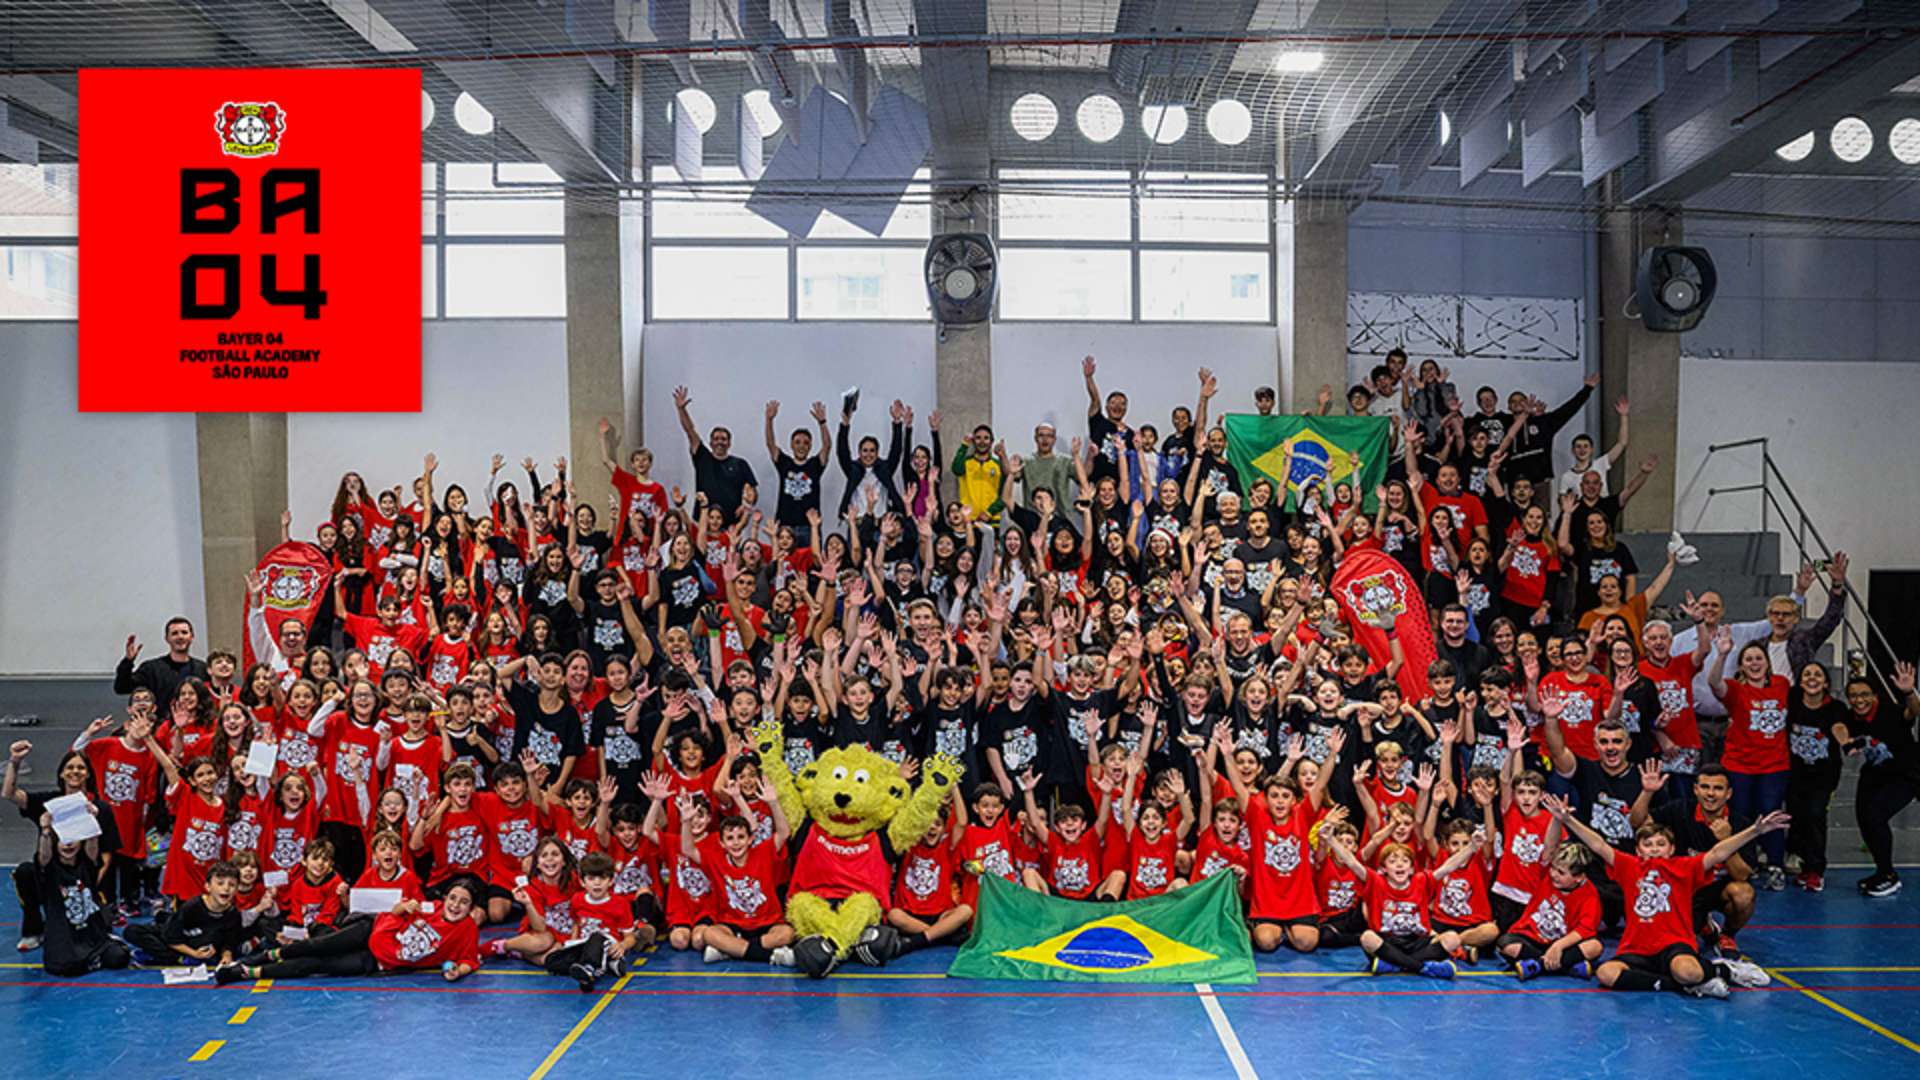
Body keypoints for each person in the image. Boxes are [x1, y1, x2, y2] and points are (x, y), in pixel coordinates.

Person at [1545, 793, 1781, 997]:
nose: (1655, 848)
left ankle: (1724, 970)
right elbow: (1598, 845)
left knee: (1688, 971)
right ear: (1638, 850)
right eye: (1648, 844)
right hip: (1636, 948)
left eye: (1660, 844)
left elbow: (1718, 852)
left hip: (1674, 944)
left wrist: (1755, 831)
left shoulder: (1685, 867)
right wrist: (1567, 819)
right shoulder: (1628, 865)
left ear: (1671, 849)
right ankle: (1681, 987)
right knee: (1606, 973)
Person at [217, 875, 484, 984]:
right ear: (445, 898)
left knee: (315, 965)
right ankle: (262, 956)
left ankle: (246, 972)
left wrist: (456, 972)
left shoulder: (467, 930)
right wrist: (401, 909)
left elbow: (470, 960)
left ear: (471, 908)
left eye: (463, 903)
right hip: (370, 930)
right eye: (453, 899)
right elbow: (396, 911)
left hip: (376, 961)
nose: (456, 906)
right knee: (317, 945)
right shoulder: (432, 907)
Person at [1707, 628, 1793, 888]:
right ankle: (1746, 863)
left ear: (1767, 662)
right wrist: (1722, 655)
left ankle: (1776, 864)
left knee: (1771, 814)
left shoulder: (1781, 684)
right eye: (1748, 659)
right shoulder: (1735, 689)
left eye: (1759, 658)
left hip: (1774, 764)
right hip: (1739, 764)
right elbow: (1714, 683)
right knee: (1741, 815)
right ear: (1741, 666)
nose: (1754, 663)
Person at [1851, 661, 1920, 898]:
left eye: (1864, 695)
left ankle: (1890, 877)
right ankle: (1882, 871)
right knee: (1863, 816)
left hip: (1906, 773)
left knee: (1876, 815)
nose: (1859, 700)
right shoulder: (1853, 718)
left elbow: (1913, 711)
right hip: (1875, 773)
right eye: (1853, 696)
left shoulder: (1890, 711)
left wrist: (1909, 692)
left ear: (1874, 696)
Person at [1784, 661, 1850, 892]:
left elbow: (1839, 727)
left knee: (1815, 815)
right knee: (1797, 816)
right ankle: (1801, 862)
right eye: (1807, 674)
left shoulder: (1836, 707)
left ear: (1825, 682)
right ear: (1801, 681)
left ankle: (1816, 869)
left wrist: (1845, 741)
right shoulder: (1792, 700)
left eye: (1818, 675)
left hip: (1823, 775)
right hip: (1795, 773)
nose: (1812, 678)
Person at [1495, 842, 1602, 981]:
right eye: (1553, 868)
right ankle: (1567, 966)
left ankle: (1538, 965)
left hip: (1564, 943)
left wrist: (1558, 946)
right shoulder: (1545, 875)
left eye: (1561, 873)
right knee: (1506, 944)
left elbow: (1585, 929)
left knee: (1595, 946)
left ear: (1579, 877)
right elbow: (1551, 844)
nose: (1553, 874)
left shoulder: (1590, 894)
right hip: (1533, 938)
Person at [125, 860, 245, 968]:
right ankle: (177, 958)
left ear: (237, 889)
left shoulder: (233, 914)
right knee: (132, 931)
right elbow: (171, 937)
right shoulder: (192, 907)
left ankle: (157, 956)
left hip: (202, 944)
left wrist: (227, 956)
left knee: (213, 955)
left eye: (232, 885)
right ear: (208, 886)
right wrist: (194, 954)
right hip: (178, 940)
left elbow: (229, 943)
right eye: (220, 883)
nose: (226, 888)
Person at [673, 385, 758, 522]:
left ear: (729, 443)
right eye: (716, 439)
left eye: (724, 439)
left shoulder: (741, 464)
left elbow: (753, 492)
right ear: (711, 442)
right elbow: (689, 430)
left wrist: (746, 504)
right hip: (703, 522)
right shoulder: (702, 457)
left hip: (731, 524)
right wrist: (681, 409)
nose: (720, 442)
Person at [762, 399, 831, 532]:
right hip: (785, 526)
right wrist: (769, 420)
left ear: (810, 446)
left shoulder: (815, 464)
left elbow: (827, 446)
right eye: (797, 442)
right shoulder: (784, 463)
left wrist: (822, 423)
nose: (801, 446)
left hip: (810, 526)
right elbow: (770, 444)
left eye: (805, 443)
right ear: (791, 445)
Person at [114, 617, 209, 711]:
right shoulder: (151, 669)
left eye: (184, 632)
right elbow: (122, 687)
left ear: (191, 637)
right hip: (161, 724)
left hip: (197, 724)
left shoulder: (203, 669)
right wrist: (128, 662)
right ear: (167, 638)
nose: (180, 636)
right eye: (174, 633)